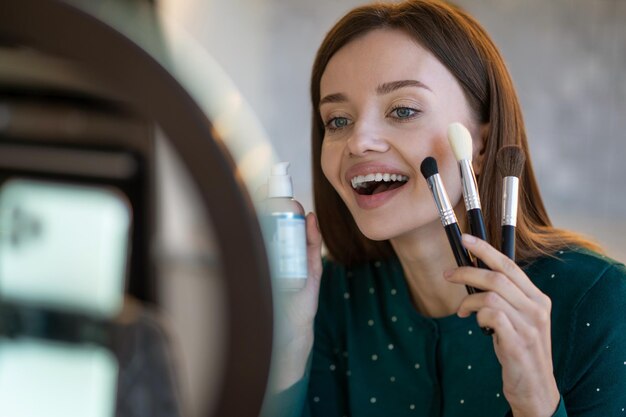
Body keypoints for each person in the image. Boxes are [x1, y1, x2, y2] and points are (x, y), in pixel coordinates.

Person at [262, 1, 626, 416]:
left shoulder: (603, 303)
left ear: (482, 144)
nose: (358, 141)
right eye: (337, 120)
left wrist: (536, 401)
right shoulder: (332, 299)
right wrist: (287, 351)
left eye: (403, 110)